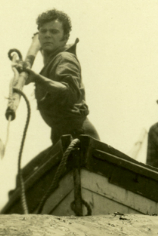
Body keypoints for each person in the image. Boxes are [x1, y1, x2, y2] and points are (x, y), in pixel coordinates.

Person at [13, 9, 100, 144]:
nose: (47, 35)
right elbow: (44, 51)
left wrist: (36, 78)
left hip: (80, 136)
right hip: (61, 136)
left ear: (64, 38)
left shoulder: (65, 58)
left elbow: (68, 92)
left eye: (54, 32)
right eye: (44, 31)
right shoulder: (52, 60)